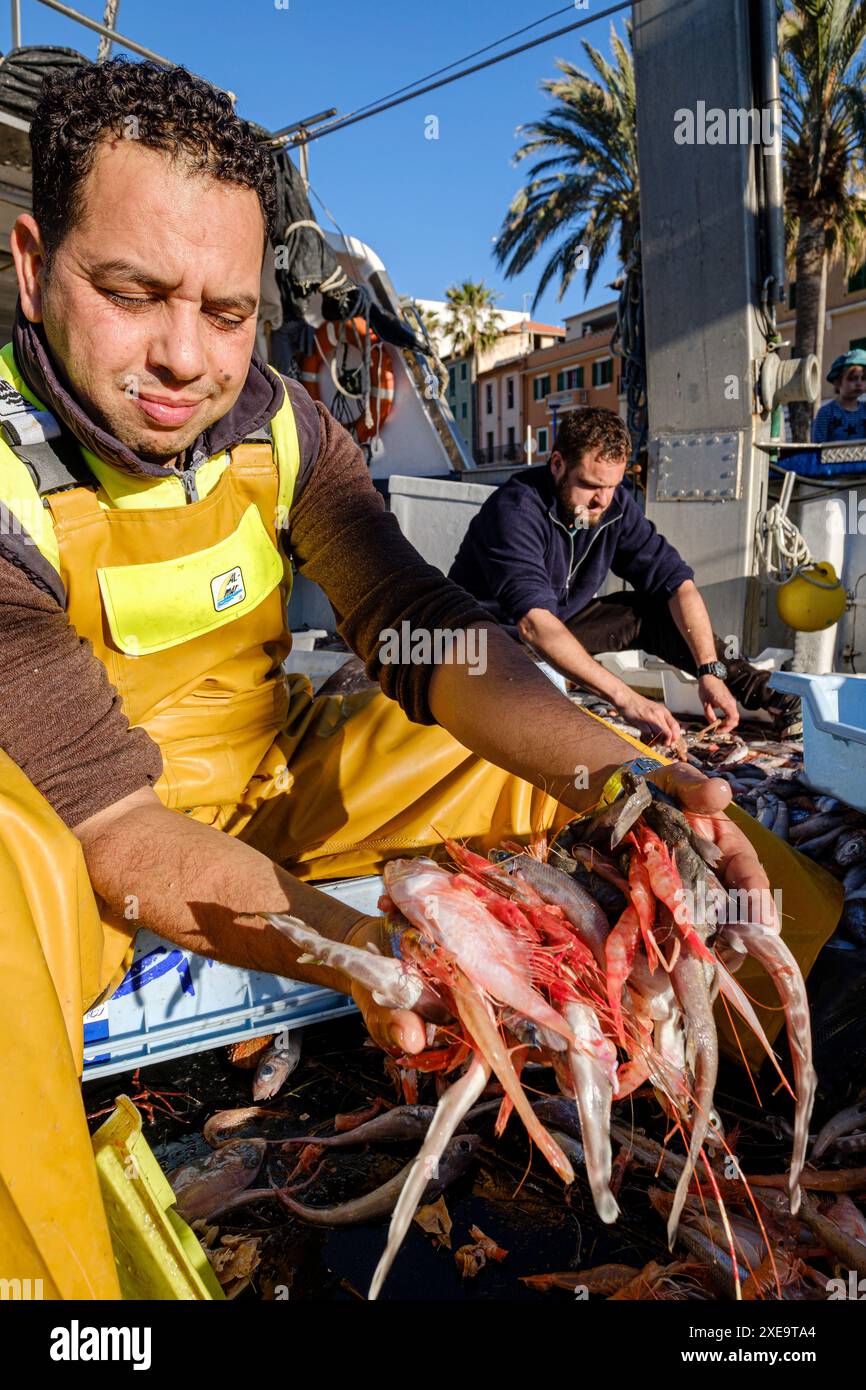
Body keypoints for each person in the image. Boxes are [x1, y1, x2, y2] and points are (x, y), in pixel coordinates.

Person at [0, 60, 836, 1297]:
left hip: (266, 776)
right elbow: (118, 827)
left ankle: (793, 1062)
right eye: (131, 294)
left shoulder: (284, 425)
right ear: (29, 262)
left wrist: (619, 773)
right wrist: (370, 954)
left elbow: (411, 621)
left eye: (227, 313)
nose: (183, 355)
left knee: (613, 790)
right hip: (79, 848)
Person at [449, 408, 800, 743]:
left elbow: (679, 585)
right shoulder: (515, 511)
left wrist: (709, 670)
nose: (602, 500)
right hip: (490, 644)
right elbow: (534, 625)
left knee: (649, 611)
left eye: (613, 486)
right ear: (557, 464)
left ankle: (774, 699)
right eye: (590, 485)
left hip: (557, 626)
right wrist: (626, 699)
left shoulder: (613, 507)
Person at [812, 349, 866, 444]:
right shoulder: (826, 413)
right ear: (837, 382)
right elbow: (818, 448)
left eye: (863, 379)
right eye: (852, 379)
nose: (859, 383)